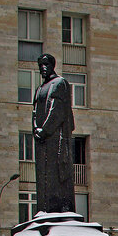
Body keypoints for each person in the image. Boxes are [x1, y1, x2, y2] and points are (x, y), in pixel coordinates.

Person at [32, 53, 76, 213]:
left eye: (46, 65)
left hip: (55, 138)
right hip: (42, 140)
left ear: (52, 66)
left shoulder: (59, 83)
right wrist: (36, 128)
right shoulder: (39, 89)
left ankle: (59, 208)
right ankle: (44, 208)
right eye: (40, 66)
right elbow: (35, 111)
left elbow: (56, 110)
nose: (43, 68)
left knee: (57, 174)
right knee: (43, 175)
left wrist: (45, 130)